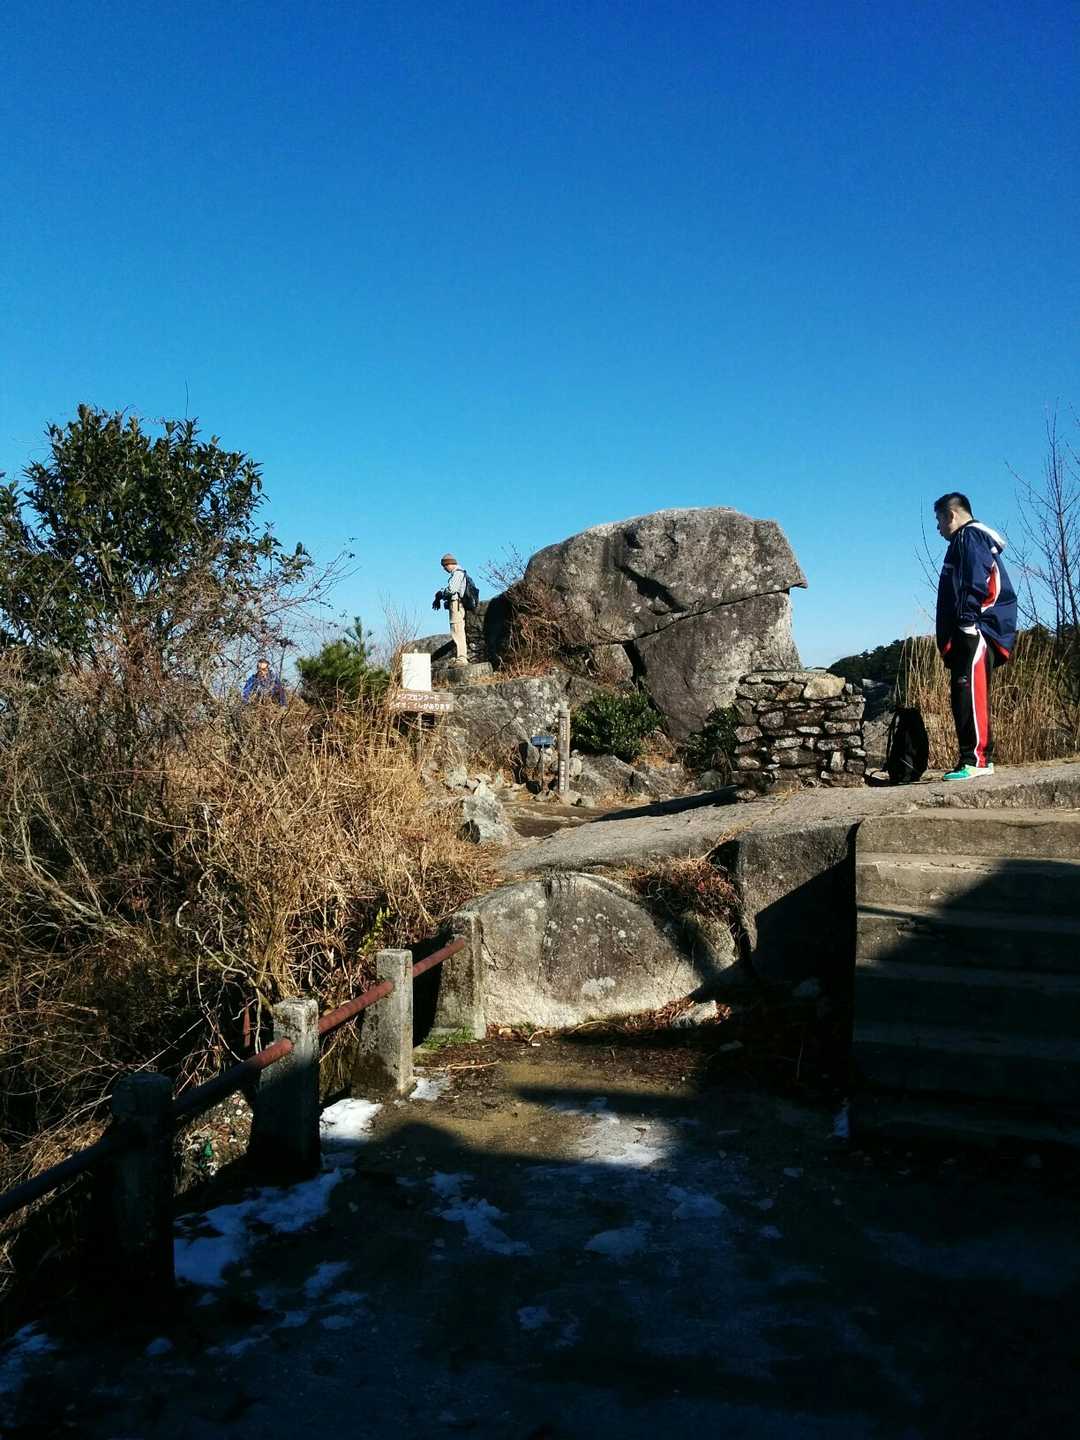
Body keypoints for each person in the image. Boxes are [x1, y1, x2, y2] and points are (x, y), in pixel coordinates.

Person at [934, 492, 1016, 779]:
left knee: (970, 692)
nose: (938, 528)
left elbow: (975, 578)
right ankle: (971, 759)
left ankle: (977, 761)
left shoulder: (969, 536)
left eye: (939, 520)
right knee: (962, 694)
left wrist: (967, 623)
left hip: (976, 630)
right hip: (969, 631)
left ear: (951, 515)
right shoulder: (965, 540)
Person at [433, 552, 468, 663]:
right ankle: (460, 656)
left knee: (457, 630)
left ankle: (462, 658)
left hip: (456, 604)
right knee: (457, 630)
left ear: (449, 564)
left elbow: (452, 589)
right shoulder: (458, 573)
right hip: (456, 604)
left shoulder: (458, 573)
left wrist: (442, 593)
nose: (444, 569)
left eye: (444, 566)